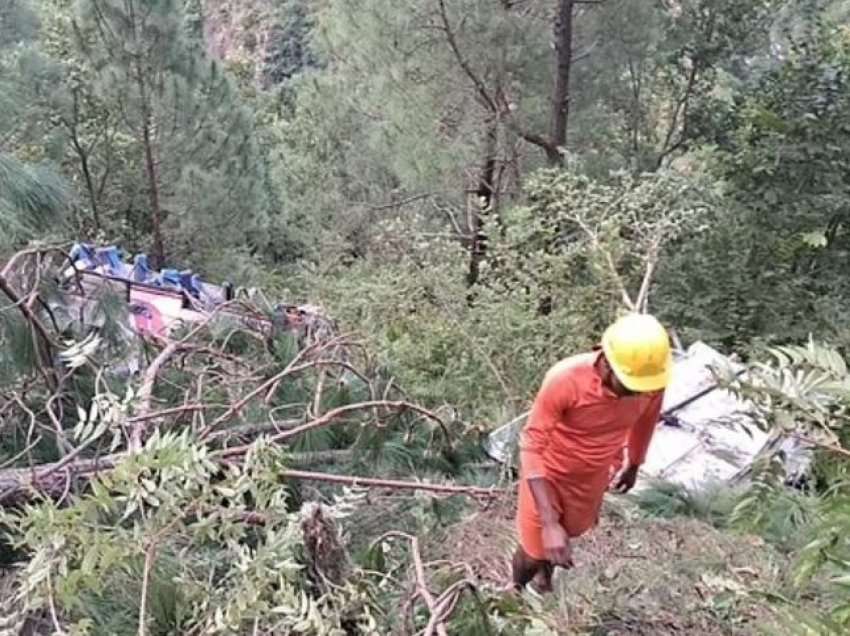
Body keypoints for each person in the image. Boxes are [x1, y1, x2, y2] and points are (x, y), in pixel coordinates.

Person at [511, 312, 672, 592]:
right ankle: (515, 589)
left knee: (568, 532)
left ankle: (544, 578)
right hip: (547, 475)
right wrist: (548, 521)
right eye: (631, 386)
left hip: (593, 476)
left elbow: (646, 420)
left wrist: (634, 464)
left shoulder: (649, 383)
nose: (638, 394)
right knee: (533, 550)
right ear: (607, 364)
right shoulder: (565, 380)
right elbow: (531, 445)